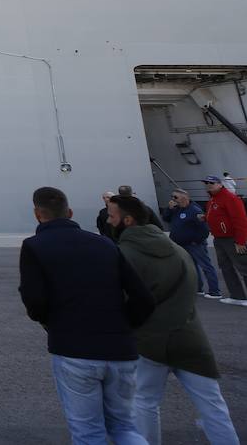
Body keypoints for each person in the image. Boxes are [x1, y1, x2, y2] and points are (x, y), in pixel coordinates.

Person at [18, 186, 155, 445]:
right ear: (69, 212)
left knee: (88, 432)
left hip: (74, 348)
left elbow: (34, 301)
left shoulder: (35, 246)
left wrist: (52, 324)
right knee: (125, 428)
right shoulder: (105, 244)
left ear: (37, 214)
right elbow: (143, 298)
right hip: (120, 348)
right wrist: (124, 327)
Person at [106, 194, 239, 445]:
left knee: (145, 402)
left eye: (112, 216)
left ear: (128, 220)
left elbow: (118, 302)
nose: (109, 222)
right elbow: (190, 290)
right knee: (213, 405)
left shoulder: (122, 256)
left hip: (149, 342)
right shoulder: (177, 250)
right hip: (190, 337)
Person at [165, 188, 220, 300]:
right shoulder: (176, 209)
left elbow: (204, 228)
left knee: (206, 266)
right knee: (192, 267)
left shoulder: (194, 210)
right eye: (172, 197)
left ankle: (214, 291)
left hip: (194, 244)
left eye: (175, 197)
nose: (173, 199)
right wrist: (169, 209)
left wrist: (197, 240)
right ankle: (198, 288)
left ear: (184, 197)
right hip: (182, 244)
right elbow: (166, 218)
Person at [203, 174, 247, 306]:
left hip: (231, 238)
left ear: (220, 184)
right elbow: (217, 216)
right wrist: (205, 218)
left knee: (243, 267)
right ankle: (237, 296)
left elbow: (240, 220)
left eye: (212, 183)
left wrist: (240, 241)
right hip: (219, 239)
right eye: (206, 183)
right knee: (226, 267)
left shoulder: (230, 198)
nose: (209, 185)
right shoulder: (212, 200)